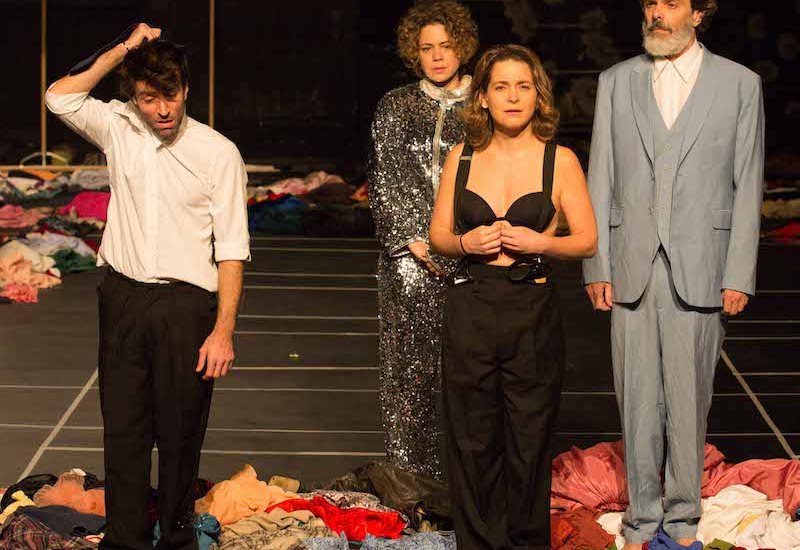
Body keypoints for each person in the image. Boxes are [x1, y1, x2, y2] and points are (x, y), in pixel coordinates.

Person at [46, 23, 250, 550]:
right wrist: (124, 49)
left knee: (180, 432)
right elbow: (59, 97)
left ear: (187, 88)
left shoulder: (218, 153)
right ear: (134, 98)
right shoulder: (119, 127)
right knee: (123, 428)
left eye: (171, 95)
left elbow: (231, 248)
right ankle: (125, 539)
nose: (162, 109)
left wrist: (223, 331)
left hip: (186, 305)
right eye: (148, 98)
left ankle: (176, 539)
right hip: (123, 297)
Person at [582, 1, 764, 547]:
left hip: (702, 261)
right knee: (636, 399)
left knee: (689, 400)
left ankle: (683, 518)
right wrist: (597, 262)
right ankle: (641, 518)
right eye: (651, 3)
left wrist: (739, 271)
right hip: (631, 262)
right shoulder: (616, 81)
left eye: (672, 3)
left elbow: (748, 181)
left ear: (699, 13)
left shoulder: (740, 84)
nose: (657, 13)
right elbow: (600, 175)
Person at [430, 44, 597, 550]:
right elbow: (439, 235)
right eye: (501, 86)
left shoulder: (559, 160)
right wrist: (466, 243)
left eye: (523, 86)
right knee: (472, 437)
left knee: (529, 437)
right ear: (482, 97)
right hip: (471, 305)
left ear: (538, 96)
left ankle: (526, 543)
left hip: (531, 307)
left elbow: (587, 240)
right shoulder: (461, 157)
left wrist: (540, 242)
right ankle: (477, 543)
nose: (512, 96)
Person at [368, 0, 478, 480]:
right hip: (409, 264)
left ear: (462, 47)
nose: (436, 56)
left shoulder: (483, 103)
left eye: (445, 46)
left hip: (473, 257)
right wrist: (415, 240)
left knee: (470, 373)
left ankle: (466, 484)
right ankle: (411, 483)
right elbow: (384, 178)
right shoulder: (395, 105)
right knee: (408, 376)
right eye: (426, 47)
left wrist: (461, 241)